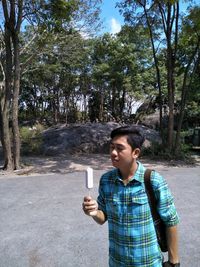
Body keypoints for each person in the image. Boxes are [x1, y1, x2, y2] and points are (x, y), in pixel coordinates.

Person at [82, 125, 180, 267]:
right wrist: (93, 212)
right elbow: (103, 218)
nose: (113, 153)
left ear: (135, 152)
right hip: (117, 262)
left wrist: (174, 261)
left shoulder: (153, 180)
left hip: (148, 263)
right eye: (111, 147)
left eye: (120, 148)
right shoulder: (106, 180)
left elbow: (171, 221)